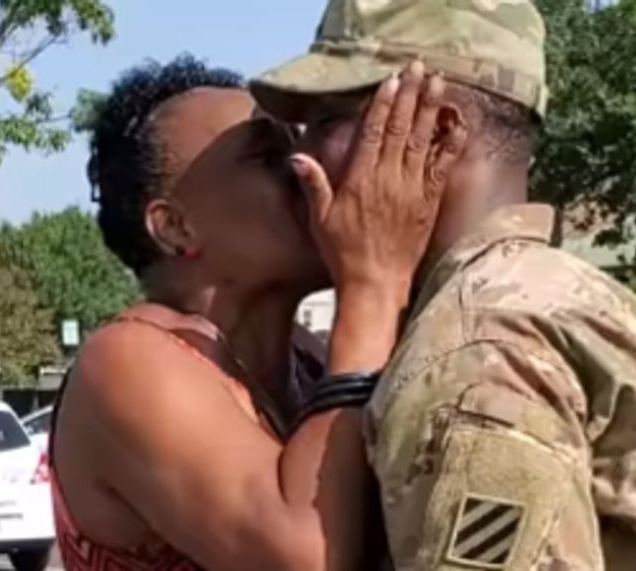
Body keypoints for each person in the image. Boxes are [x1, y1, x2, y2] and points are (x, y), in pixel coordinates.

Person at [251, 1, 636, 570]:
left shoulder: (472, 351)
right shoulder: (564, 292)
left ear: (437, 131)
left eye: (327, 121)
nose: (300, 156)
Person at [50, 55, 465, 571]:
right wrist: (373, 282)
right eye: (270, 158)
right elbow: (305, 557)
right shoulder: (126, 362)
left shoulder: (310, 363)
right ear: (176, 227)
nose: (308, 168)